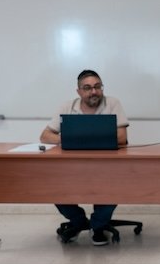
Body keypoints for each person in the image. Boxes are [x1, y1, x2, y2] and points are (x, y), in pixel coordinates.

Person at [40, 69, 129, 246]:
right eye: (87, 88)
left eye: (97, 87)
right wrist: (70, 139)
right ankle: (79, 222)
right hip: (72, 167)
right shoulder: (67, 107)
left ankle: (97, 227)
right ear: (79, 91)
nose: (93, 91)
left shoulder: (112, 103)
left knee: (113, 188)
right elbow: (45, 136)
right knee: (54, 188)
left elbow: (121, 138)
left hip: (107, 165)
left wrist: (79, 138)